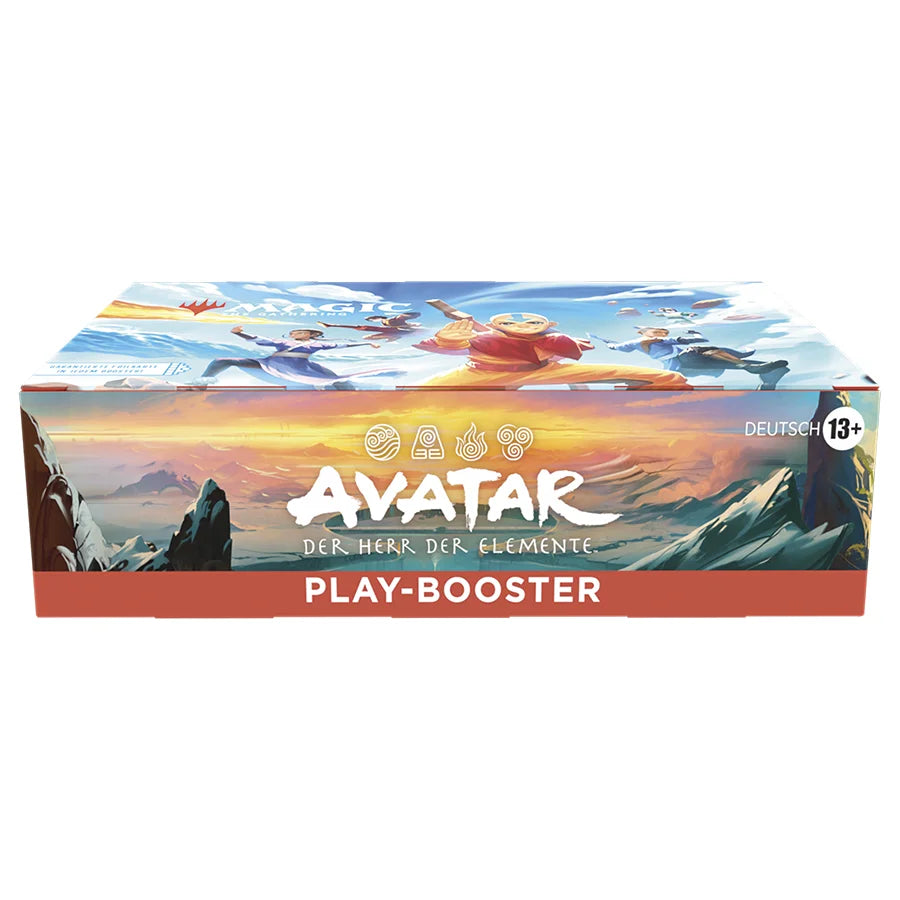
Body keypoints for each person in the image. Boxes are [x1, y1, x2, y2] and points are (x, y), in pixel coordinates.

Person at [414, 312, 690, 389]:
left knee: (668, 378)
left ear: (547, 325)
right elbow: (452, 346)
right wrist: (447, 340)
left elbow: (565, 351)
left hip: (543, 372)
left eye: (532, 323)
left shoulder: (552, 339)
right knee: (415, 394)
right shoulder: (485, 338)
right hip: (481, 374)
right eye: (509, 323)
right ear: (494, 325)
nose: (521, 326)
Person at [600, 326, 789, 389]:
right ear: (644, 331)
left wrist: (693, 335)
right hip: (683, 362)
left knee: (716, 360)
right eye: (657, 331)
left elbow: (617, 347)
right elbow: (619, 347)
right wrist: (610, 344)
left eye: (662, 332)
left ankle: (769, 375)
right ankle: (753, 367)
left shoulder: (644, 342)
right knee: (703, 351)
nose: (661, 334)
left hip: (682, 367)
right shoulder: (643, 340)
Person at [200, 326, 382, 385]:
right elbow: (260, 339)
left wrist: (368, 343)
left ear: (310, 334)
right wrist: (240, 333)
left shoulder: (318, 344)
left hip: (299, 369)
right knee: (221, 360)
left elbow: (344, 344)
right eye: (294, 333)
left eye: (299, 332)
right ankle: (200, 384)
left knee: (334, 380)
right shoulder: (283, 342)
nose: (294, 334)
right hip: (269, 364)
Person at [316, 312, 423, 342]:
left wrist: (412, 324)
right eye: (371, 320)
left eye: (372, 319)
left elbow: (405, 318)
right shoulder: (385, 322)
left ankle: (331, 325)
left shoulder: (391, 319)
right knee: (367, 337)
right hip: (397, 332)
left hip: (405, 331)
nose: (372, 321)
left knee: (364, 329)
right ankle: (393, 337)